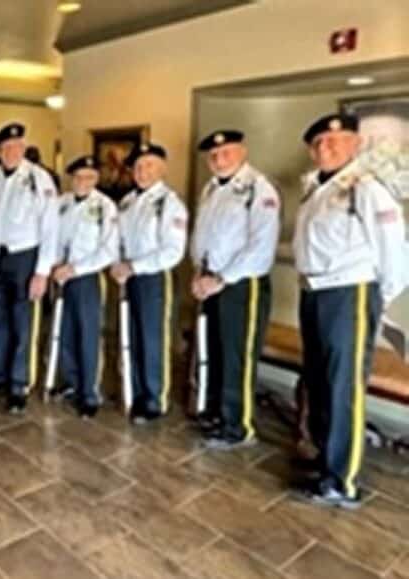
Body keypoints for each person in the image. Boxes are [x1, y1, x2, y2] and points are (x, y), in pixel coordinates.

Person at [293, 114, 406, 509]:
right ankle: (326, 462)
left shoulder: (367, 188)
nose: (327, 147)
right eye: (320, 142)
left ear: (355, 144)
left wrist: (377, 296)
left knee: (343, 387)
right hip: (316, 292)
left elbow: (395, 250)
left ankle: (342, 480)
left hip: (350, 293)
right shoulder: (316, 188)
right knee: (321, 382)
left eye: (336, 140)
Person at [190, 130, 280, 449]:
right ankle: (216, 412)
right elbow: (205, 236)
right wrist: (200, 271)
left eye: (226, 152)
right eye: (213, 155)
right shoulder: (212, 188)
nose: (218, 159)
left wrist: (222, 278)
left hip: (242, 283)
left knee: (236, 355)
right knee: (215, 349)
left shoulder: (258, 188)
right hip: (212, 280)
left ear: (242, 151)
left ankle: (237, 426)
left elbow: (261, 245)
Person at [109, 143, 188, 424]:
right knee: (130, 334)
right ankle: (133, 389)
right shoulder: (128, 201)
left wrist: (134, 266)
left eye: (149, 165)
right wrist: (117, 264)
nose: (142, 172)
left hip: (154, 277)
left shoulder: (170, 203)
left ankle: (154, 399)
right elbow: (117, 239)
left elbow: (172, 252)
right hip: (128, 275)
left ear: (162, 168)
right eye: (138, 166)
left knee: (152, 338)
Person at [0, 123, 59, 415]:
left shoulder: (40, 180)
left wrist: (42, 271)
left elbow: (50, 228)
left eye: (15, 147)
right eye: (4, 148)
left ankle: (19, 383)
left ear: (24, 148)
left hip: (26, 257)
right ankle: (0, 375)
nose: (10, 152)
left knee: (24, 321)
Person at [51, 155, 119, 418]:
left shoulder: (105, 207)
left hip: (87, 277)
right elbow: (54, 237)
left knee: (88, 334)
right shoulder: (62, 204)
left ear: (97, 179)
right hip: (62, 276)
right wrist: (57, 264)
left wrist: (75, 269)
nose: (83, 182)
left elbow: (108, 250)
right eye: (78, 177)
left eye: (89, 177)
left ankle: (89, 392)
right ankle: (70, 381)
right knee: (65, 330)